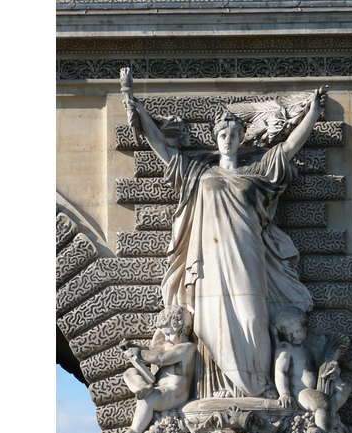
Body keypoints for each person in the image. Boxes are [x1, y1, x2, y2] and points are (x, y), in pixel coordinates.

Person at [126, 88, 327, 399]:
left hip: (248, 258)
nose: (228, 139)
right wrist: (139, 112)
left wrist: (313, 113)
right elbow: (163, 150)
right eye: (222, 134)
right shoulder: (198, 173)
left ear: (241, 137)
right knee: (211, 324)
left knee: (252, 318)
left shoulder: (256, 174)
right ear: (215, 139)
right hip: (208, 262)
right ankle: (213, 392)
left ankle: (259, 389)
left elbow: (287, 148)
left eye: (234, 134)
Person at [272, 306, 350, 433]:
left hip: (315, 389)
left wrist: (334, 372)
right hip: (300, 393)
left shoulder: (307, 350)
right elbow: (280, 372)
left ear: (304, 328)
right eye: (289, 334)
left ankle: (329, 416)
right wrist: (284, 394)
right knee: (321, 404)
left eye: (297, 331)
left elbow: (318, 369)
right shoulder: (285, 347)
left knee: (343, 387)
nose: (294, 336)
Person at [120, 306, 196, 433]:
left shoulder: (187, 348)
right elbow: (153, 351)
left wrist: (141, 354)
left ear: (182, 330)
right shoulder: (168, 345)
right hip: (159, 387)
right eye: (165, 334)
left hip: (175, 392)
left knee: (148, 399)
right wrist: (134, 347)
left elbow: (162, 357)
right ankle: (141, 387)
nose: (167, 338)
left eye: (170, 334)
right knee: (129, 372)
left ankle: (134, 431)